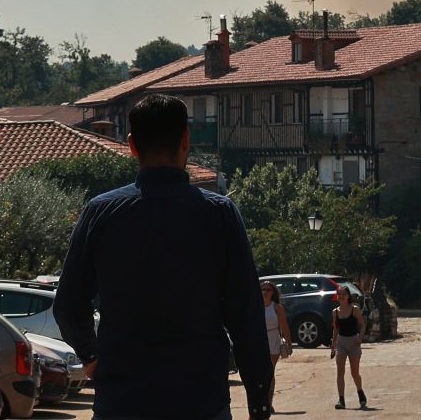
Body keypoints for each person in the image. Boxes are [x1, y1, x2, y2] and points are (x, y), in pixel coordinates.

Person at [57, 94, 274, 420]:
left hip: (122, 402)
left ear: (132, 145)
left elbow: (69, 304)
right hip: (200, 401)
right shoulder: (219, 214)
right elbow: (246, 315)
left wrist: (91, 356)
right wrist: (258, 401)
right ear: (186, 140)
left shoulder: (100, 213)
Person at [331, 284, 366, 408]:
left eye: (343, 294)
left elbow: (362, 324)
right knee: (340, 372)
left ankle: (360, 392)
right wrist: (333, 345)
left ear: (348, 296)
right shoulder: (335, 312)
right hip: (341, 343)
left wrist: (360, 338)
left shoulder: (354, 309)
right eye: (339, 294)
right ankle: (341, 400)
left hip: (353, 342)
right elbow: (336, 329)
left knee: (354, 373)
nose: (341, 296)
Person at [263, 281, 292, 367]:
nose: (265, 292)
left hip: (274, 340)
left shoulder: (277, 307)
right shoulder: (256, 306)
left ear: (273, 292)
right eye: (263, 289)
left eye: (268, 290)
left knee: (270, 369)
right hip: (260, 339)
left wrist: (289, 343)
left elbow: (284, 327)